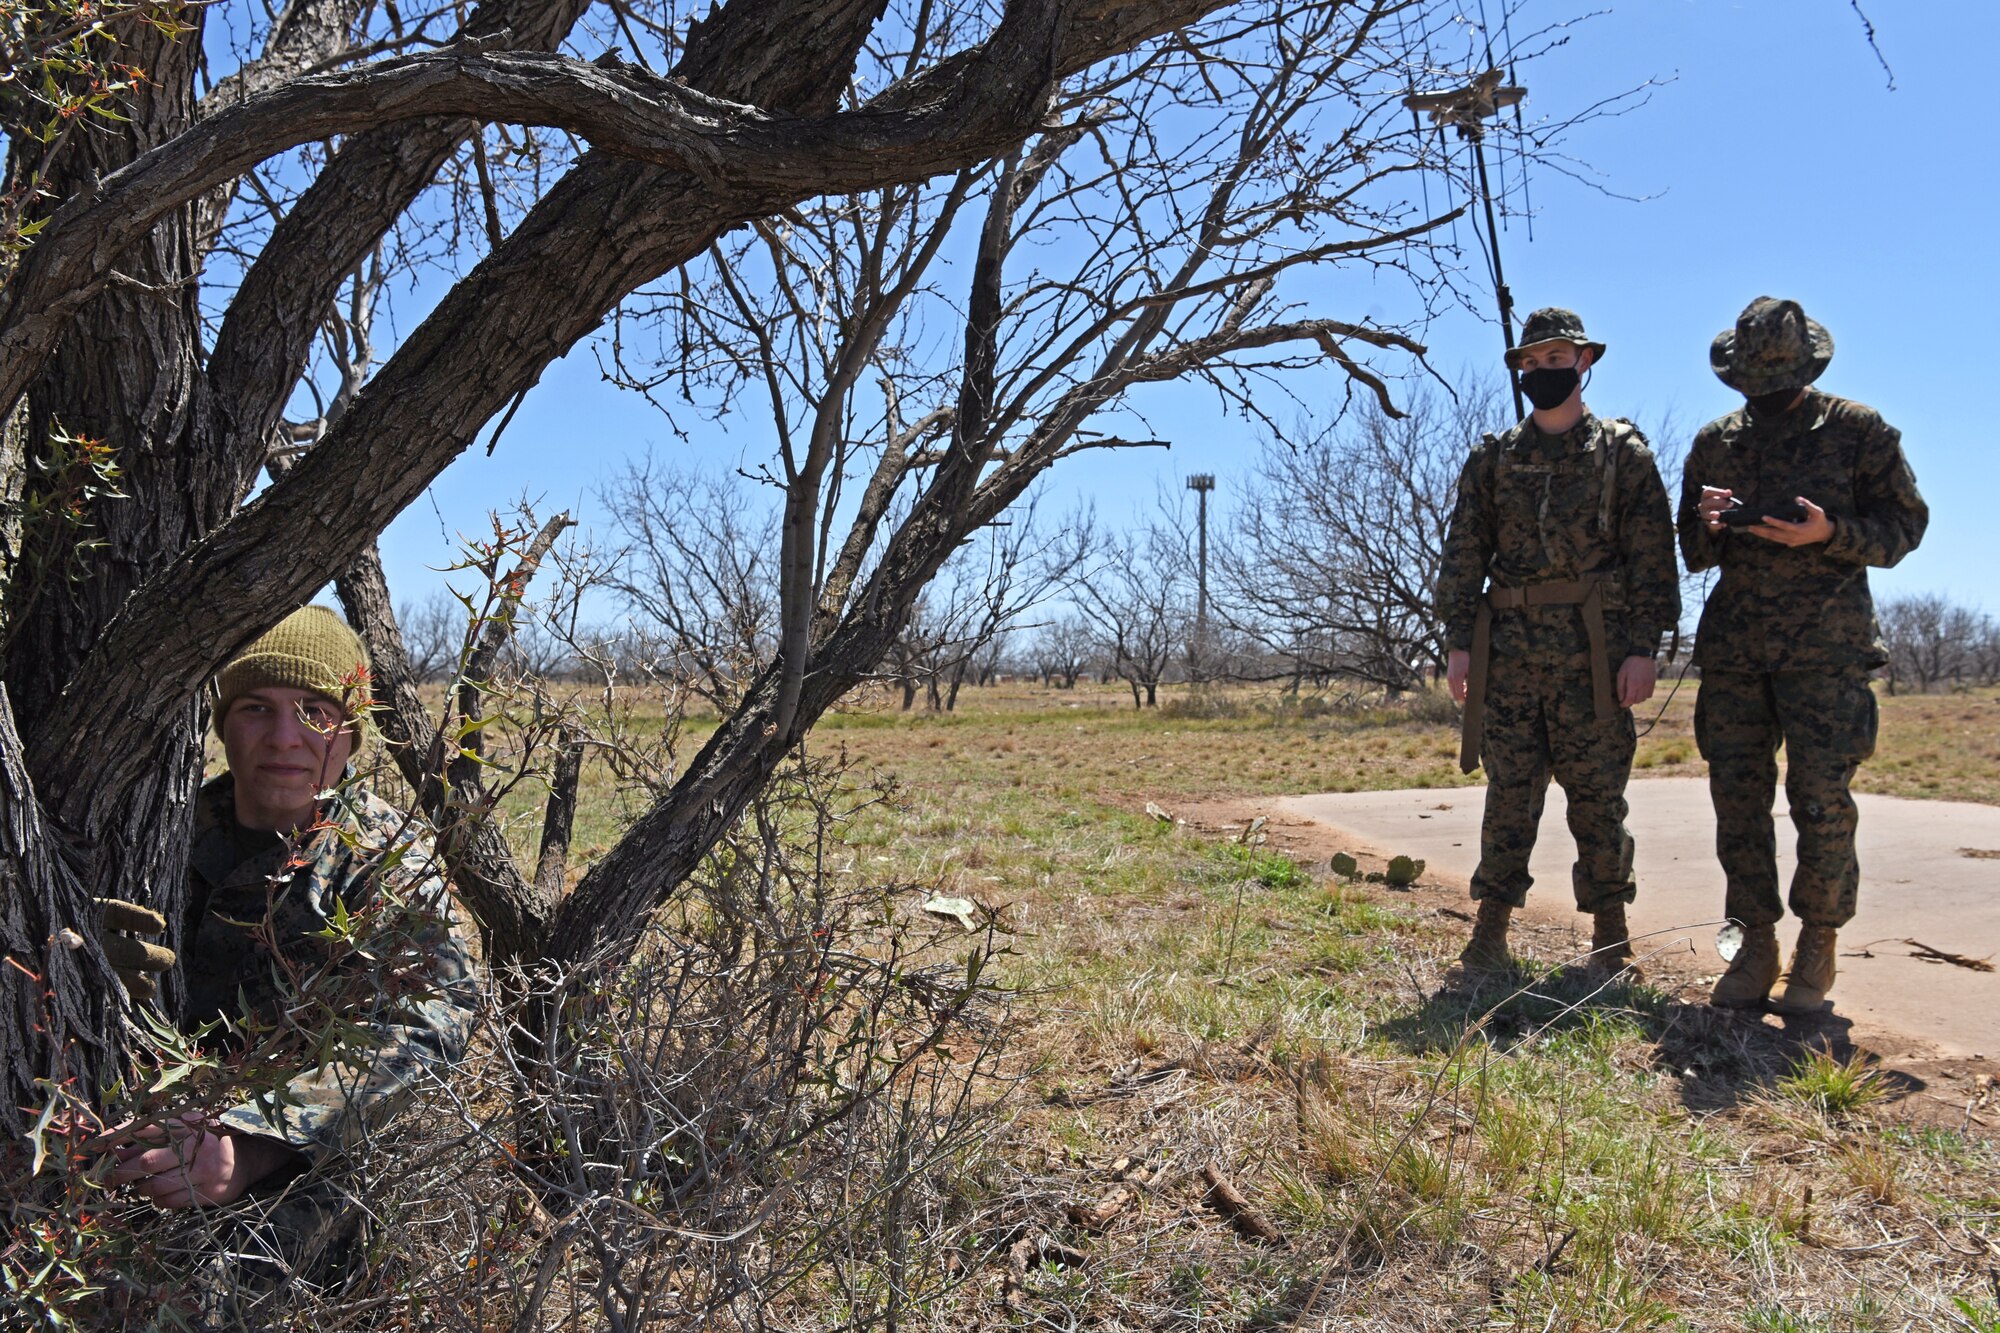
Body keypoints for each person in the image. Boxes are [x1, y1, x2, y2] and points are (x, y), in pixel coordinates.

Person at [97, 604, 478, 1316]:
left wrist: (253, 1143)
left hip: (310, 1164)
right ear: (220, 725)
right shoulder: (154, 835)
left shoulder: (381, 859)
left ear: (351, 734)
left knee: (191, 1306)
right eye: (255, 708)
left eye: (315, 710)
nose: (285, 738)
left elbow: (437, 1019)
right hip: (153, 1139)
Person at [1681, 297, 1926, 1014]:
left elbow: (1904, 527)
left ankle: (1818, 943)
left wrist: (1829, 534)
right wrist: (1709, 520)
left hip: (1827, 650)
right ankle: (1755, 943)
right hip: (1735, 652)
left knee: (1820, 803)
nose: (1767, 395)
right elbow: (1693, 551)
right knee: (1738, 804)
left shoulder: (1860, 432)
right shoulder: (1716, 440)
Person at [1436, 307, 1680, 979]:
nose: (1545, 371)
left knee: (1599, 796)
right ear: (1520, 369)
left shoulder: (1621, 455)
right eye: (1533, 361)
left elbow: (1652, 556)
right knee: (1509, 794)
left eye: (1557, 359)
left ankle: (1609, 936)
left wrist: (1642, 648)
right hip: (1508, 654)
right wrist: (1460, 642)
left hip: (1594, 654)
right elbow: (1464, 554)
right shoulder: (1495, 458)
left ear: (1584, 362)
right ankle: (1488, 935)